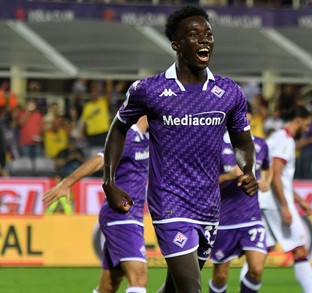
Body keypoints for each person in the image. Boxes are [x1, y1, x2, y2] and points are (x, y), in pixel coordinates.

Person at [102, 6, 258, 293]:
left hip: (209, 205)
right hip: (169, 201)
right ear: (176, 44)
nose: (204, 40)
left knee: (175, 289)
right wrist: (108, 182)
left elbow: (243, 142)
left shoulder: (229, 93)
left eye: (208, 34)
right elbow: (118, 128)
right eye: (194, 35)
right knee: (191, 289)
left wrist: (249, 169)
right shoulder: (149, 89)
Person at [43, 116, 149, 293]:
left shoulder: (150, 137)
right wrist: (67, 182)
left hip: (130, 215)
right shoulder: (128, 136)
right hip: (121, 215)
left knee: (108, 285)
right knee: (139, 277)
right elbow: (101, 159)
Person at [209, 102, 270, 293]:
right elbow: (206, 182)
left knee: (256, 270)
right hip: (224, 220)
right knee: (220, 276)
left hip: (251, 218)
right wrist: (229, 176)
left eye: (247, 119)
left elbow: (266, 168)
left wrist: (265, 181)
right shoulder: (217, 144)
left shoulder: (260, 145)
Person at [258, 105, 312, 293]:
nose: (307, 130)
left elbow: (279, 178)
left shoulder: (275, 137)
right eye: (307, 125)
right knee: (300, 249)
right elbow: (276, 175)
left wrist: (299, 201)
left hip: (264, 200)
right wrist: (285, 206)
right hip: (275, 202)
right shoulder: (285, 140)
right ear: (298, 121)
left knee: (261, 252)